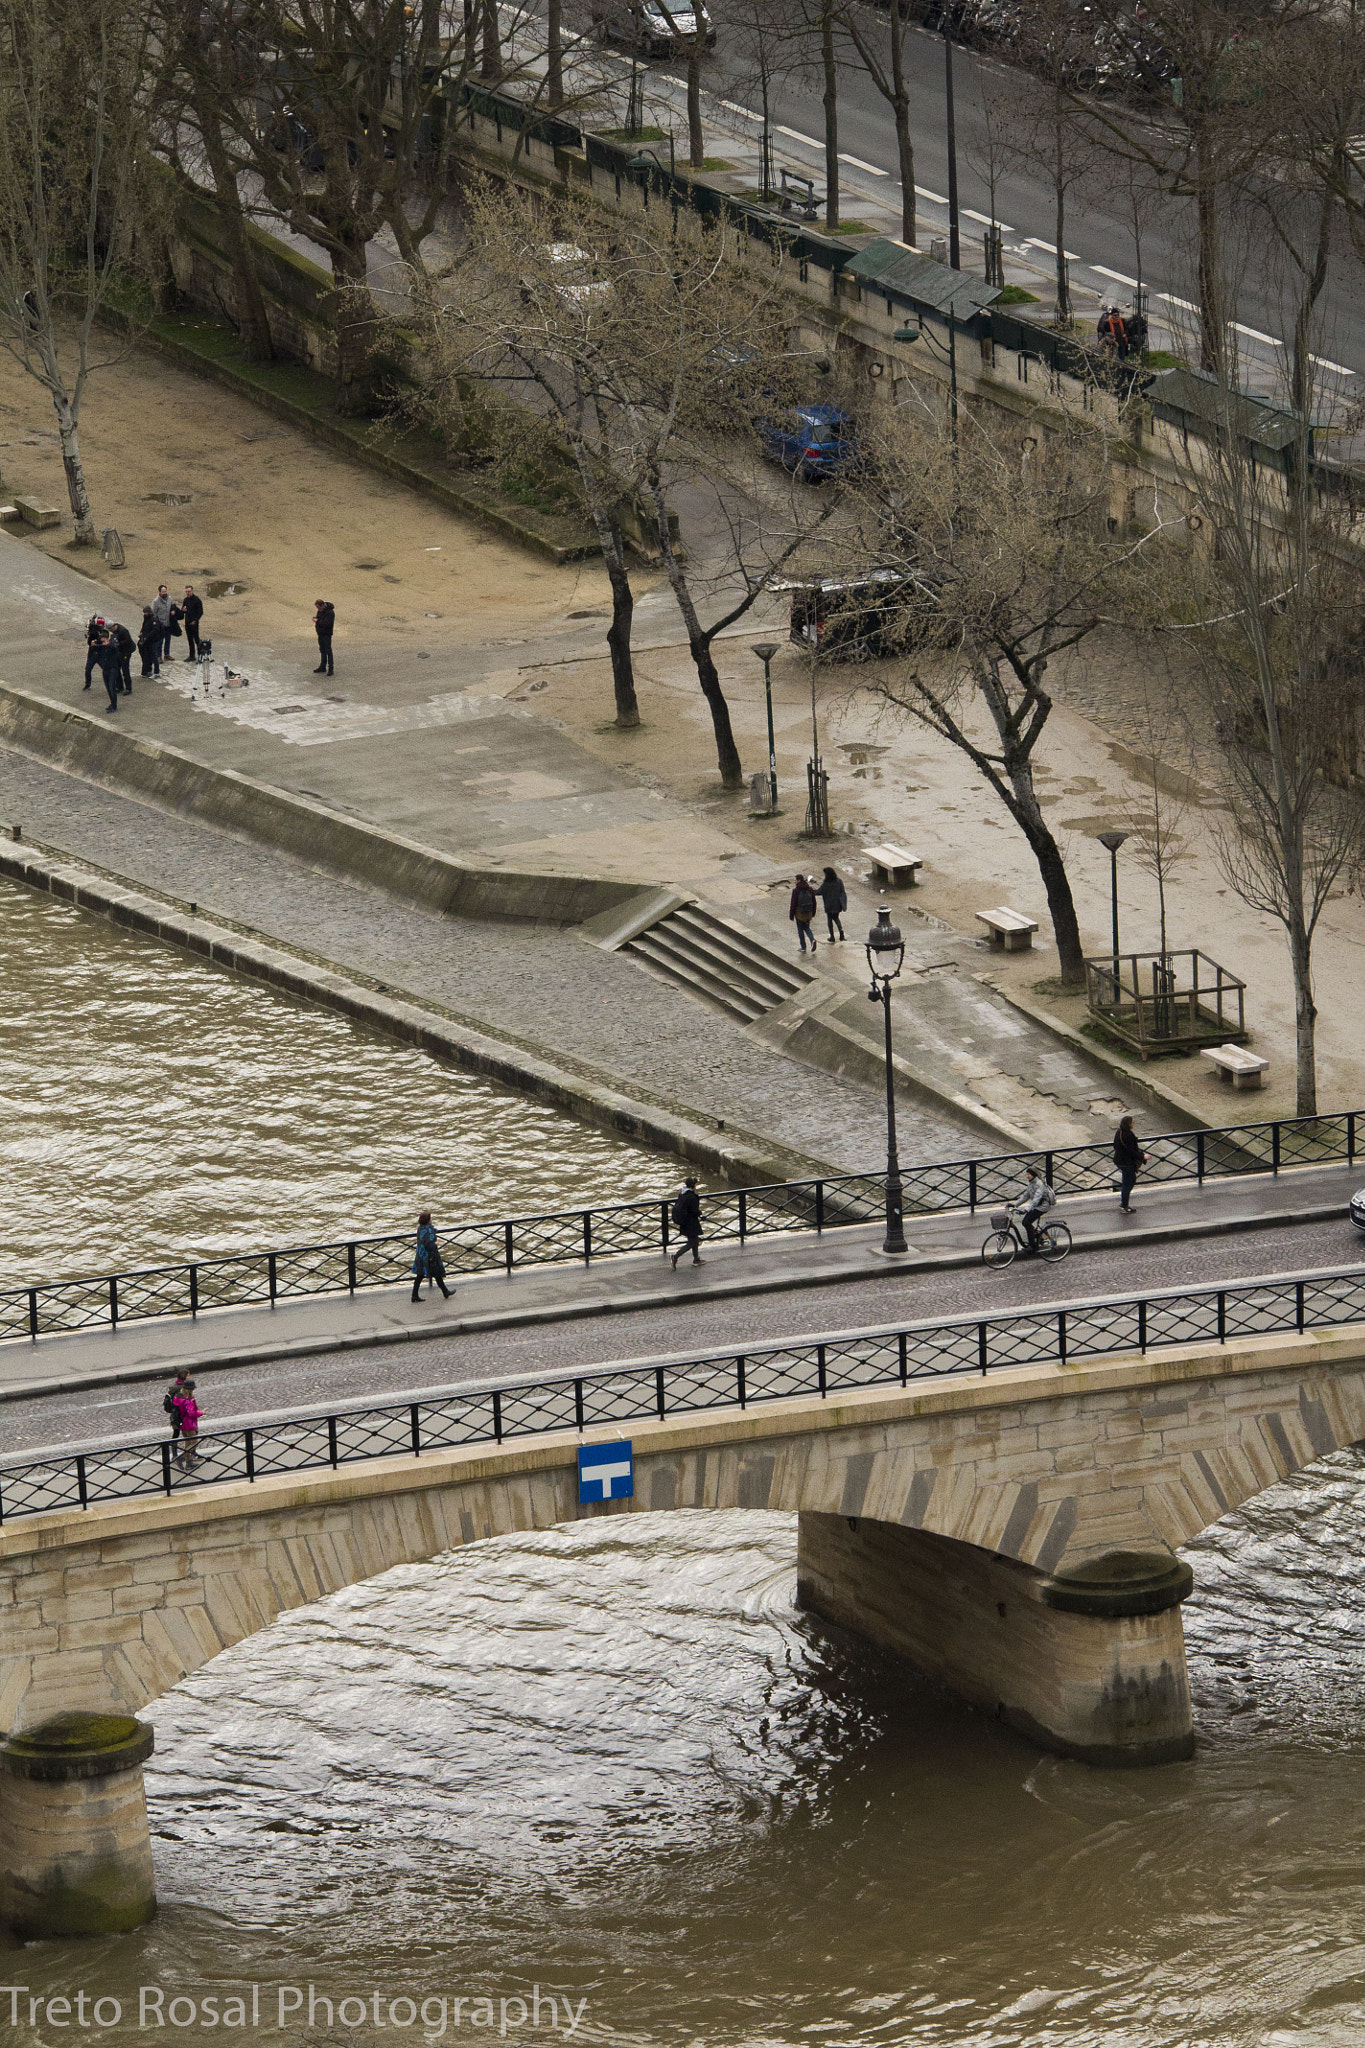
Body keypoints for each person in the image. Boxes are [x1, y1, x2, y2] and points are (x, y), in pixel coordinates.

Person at [411, 1210, 451, 1302]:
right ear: (428, 1220)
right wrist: (435, 1244)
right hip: (429, 1256)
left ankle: (414, 1295)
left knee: (420, 1275)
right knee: (437, 1273)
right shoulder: (428, 1229)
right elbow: (429, 1244)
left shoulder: (420, 1228)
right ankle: (445, 1292)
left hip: (420, 1254)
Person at [1017, 1166, 1056, 1254]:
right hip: (1037, 1206)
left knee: (1027, 1222)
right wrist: (1015, 1205)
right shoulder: (1031, 1183)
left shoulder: (1039, 1184)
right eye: (1026, 1174)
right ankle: (1038, 1237)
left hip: (1042, 1207)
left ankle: (1033, 1246)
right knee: (1025, 1222)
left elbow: (1036, 1200)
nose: (1027, 1176)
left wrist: (1026, 1209)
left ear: (1033, 1175)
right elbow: (1025, 1196)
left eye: (1028, 1174)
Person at [1114, 1114, 1146, 1214]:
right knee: (1128, 1184)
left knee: (1129, 1182)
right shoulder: (1128, 1135)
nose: (1133, 1124)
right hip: (1127, 1163)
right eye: (1132, 1122)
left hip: (1120, 1161)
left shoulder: (1119, 1131)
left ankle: (1124, 1203)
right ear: (1129, 1124)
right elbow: (1132, 1151)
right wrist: (1143, 1157)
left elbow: (1116, 1145)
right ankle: (1124, 1206)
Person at [670, 1176, 704, 1268]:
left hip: (685, 1222)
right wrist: (700, 1213)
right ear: (694, 1185)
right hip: (691, 1223)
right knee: (692, 1242)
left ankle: (696, 1259)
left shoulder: (682, 1194)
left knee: (694, 1240)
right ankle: (675, 1256)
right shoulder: (692, 1197)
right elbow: (694, 1211)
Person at [173, 1379, 202, 1469]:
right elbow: (191, 1413)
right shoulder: (187, 1400)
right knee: (193, 1442)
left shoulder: (178, 1397)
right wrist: (201, 1413)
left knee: (187, 1442)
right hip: (190, 1423)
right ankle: (182, 1458)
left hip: (183, 1424)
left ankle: (189, 1463)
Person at [789, 874, 818, 954]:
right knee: (807, 928)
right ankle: (812, 940)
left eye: (795, 880)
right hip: (808, 913)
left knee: (800, 930)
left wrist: (791, 915)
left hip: (799, 913)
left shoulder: (796, 891)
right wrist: (813, 912)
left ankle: (803, 947)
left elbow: (793, 904)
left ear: (798, 880)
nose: (794, 881)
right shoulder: (809, 889)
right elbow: (814, 902)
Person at [94, 631, 122, 713]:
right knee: (108, 688)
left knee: (112, 687)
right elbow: (96, 648)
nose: (103, 643)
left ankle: (114, 705)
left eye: (103, 641)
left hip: (112, 669)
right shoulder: (103, 647)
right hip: (105, 669)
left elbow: (115, 649)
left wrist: (108, 644)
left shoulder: (112, 645)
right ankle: (112, 703)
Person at [819, 865, 847, 942]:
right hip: (837, 904)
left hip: (829, 905)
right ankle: (841, 933)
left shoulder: (826, 884)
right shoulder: (839, 881)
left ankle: (832, 936)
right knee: (836, 918)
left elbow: (819, 891)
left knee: (829, 920)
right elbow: (842, 891)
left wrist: (810, 890)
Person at [163, 1369, 192, 1439]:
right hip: (181, 1413)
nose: (189, 1377)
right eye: (188, 1375)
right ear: (184, 1376)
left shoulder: (174, 1386)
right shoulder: (182, 1388)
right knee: (190, 1432)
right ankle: (190, 1449)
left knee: (176, 1432)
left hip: (174, 1414)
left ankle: (174, 1449)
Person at [82, 614, 107, 691]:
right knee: (88, 669)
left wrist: (96, 643)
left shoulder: (105, 632)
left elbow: (105, 643)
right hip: (92, 654)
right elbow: (89, 643)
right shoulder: (93, 633)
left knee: (106, 669)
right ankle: (87, 684)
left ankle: (112, 682)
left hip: (101, 654)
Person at [151, 584, 172, 668]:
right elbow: (153, 613)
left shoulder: (169, 599)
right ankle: (159, 656)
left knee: (168, 640)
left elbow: (172, 607)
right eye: (163, 591)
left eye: (165, 591)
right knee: (160, 641)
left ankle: (167, 654)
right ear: (159, 592)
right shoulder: (155, 602)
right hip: (160, 625)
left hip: (168, 623)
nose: (164, 593)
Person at [181, 583, 204, 661]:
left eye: (189, 591)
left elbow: (200, 612)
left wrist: (195, 620)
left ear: (192, 591)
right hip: (187, 622)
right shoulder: (185, 600)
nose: (187, 593)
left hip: (194, 623)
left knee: (197, 640)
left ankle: (200, 655)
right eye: (186, 592)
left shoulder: (197, 600)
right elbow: (183, 610)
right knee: (190, 640)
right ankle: (191, 656)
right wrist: (182, 610)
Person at [112, 620, 135, 694]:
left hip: (126, 652)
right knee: (117, 668)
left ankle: (128, 688)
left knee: (125, 670)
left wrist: (119, 643)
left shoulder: (123, 631)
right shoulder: (115, 632)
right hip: (120, 651)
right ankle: (119, 686)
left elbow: (128, 641)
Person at [314, 598, 335, 676]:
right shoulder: (320, 611)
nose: (318, 609)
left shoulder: (330, 612)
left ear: (322, 605)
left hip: (327, 634)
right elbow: (319, 619)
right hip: (321, 633)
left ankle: (331, 668)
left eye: (318, 607)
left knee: (328, 651)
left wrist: (317, 621)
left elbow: (327, 624)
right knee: (322, 650)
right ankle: (323, 666)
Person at [137, 606, 159, 678]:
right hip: (147, 641)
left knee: (154, 655)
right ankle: (147, 670)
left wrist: (147, 636)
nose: (144, 614)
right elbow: (144, 627)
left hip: (153, 641)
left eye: (146, 612)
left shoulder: (154, 619)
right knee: (147, 655)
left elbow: (155, 630)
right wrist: (141, 633)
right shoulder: (146, 619)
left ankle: (156, 671)